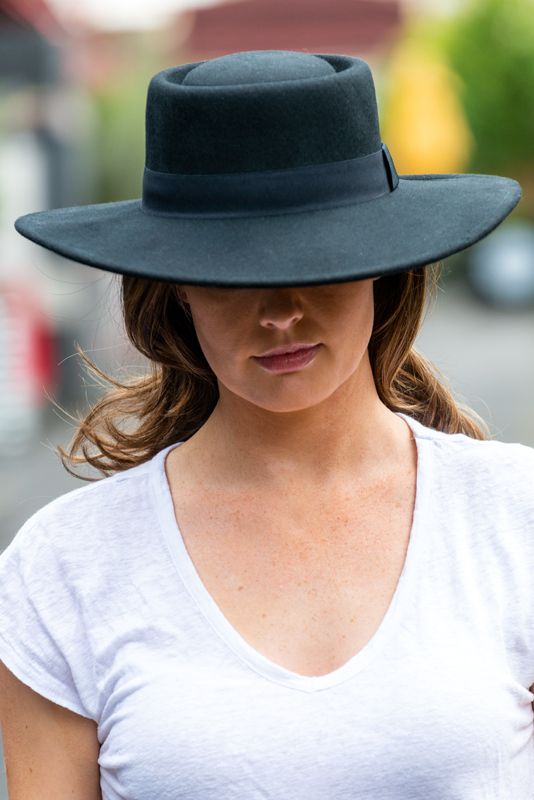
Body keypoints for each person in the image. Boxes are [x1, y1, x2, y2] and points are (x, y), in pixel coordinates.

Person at [0, 49, 532, 800]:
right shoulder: (64, 570)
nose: (280, 309)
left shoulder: (516, 518)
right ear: (178, 286)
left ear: (384, 264)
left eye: (320, 260)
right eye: (232, 271)